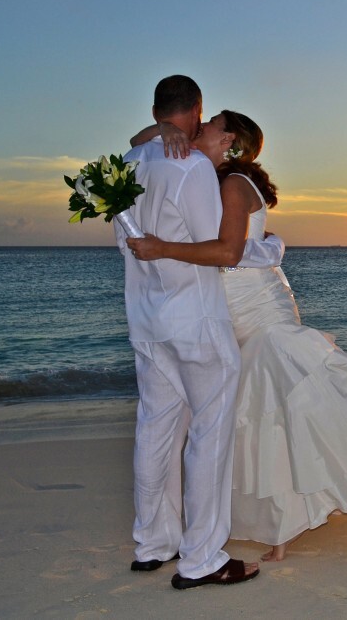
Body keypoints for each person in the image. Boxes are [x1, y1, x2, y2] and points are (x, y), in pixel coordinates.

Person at [127, 110, 347, 562]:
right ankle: (284, 525)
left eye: (212, 123)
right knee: (269, 419)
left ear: (232, 142)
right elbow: (138, 145)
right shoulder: (215, 179)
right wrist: (162, 129)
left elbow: (227, 252)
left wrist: (160, 248)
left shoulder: (233, 185)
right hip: (235, 311)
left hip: (258, 312)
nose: (201, 128)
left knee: (302, 397)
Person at [115, 76, 282, 590]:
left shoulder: (130, 161)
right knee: (208, 435)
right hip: (193, 320)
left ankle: (153, 542)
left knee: (156, 426)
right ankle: (201, 558)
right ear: (196, 112)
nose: (208, 127)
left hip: (145, 317)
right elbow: (224, 251)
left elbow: (141, 142)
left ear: (159, 112)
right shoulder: (192, 170)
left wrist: (161, 128)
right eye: (206, 119)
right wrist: (269, 250)